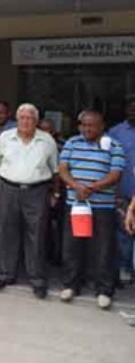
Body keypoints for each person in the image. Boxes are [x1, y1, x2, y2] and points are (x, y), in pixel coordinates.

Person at [0, 103, 59, 300]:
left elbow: (56, 171)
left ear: (36, 121)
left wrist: (56, 194)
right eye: (22, 118)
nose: (26, 121)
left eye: (30, 118)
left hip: (37, 191)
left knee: (36, 235)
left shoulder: (47, 140)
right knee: (7, 232)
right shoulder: (5, 138)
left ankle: (37, 279)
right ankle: (5, 274)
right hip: (9, 189)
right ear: (17, 120)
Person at [58, 110, 125, 309]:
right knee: (72, 245)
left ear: (102, 126)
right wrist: (76, 186)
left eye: (92, 125)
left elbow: (115, 174)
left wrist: (93, 187)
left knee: (102, 248)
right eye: (84, 125)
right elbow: (63, 169)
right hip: (76, 205)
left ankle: (104, 290)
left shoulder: (114, 145)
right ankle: (71, 285)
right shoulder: (72, 143)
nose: (87, 129)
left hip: (102, 206)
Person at [110, 97, 135, 284]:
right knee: (123, 232)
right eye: (131, 108)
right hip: (123, 190)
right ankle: (124, 267)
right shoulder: (116, 132)